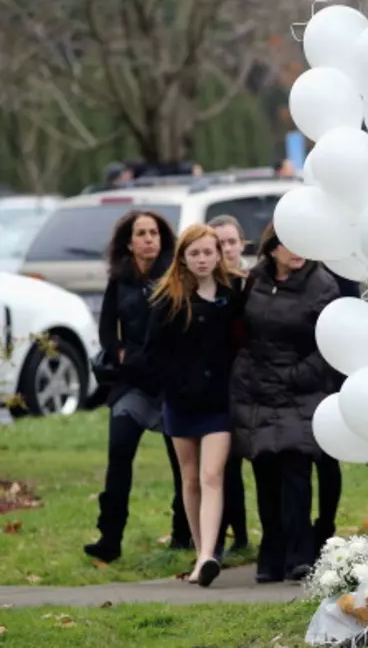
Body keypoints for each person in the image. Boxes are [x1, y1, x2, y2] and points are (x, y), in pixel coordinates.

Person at [230, 223, 342, 583]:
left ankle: (300, 550)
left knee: (295, 468)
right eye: (289, 245)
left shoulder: (321, 284)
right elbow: (241, 331)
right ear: (272, 247)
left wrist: (295, 376)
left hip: (300, 388)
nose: (298, 252)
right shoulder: (255, 279)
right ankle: (271, 550)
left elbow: (329, 343)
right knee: (264, 469)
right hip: (257, 389)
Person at [85, 210, 190, 563]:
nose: (148, 239)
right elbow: (106, 329)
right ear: (128, 242)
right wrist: (118, 354)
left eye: (154, 233)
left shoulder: (174, 276)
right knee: (119, 454)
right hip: (131, 384)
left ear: (162, 240)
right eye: (141, 233)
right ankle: (109, 538)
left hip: (168, 384)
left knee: (180, 462)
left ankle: (183, 533)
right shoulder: (121, 278)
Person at [142, 224, 244, 587]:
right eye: (194, 253)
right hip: (181, 402)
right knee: (189, 478)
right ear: (182, 257)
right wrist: (175, 385)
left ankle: (207, 555)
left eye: (208, 252)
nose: (202, 259)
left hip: (219, 401)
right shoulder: (167, 297)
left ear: (219, 254)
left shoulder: (233, 292)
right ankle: (202, 553)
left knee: (212, 475)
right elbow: (152, 354)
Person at [206, 215, 250, 555]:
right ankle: (228, 534)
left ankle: (245, 535)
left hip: (253, 380)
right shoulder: (210, 288)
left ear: (242, 244)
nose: (226, 249)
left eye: (231, 242)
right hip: (219, 384)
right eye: (218, 244)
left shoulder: (254, 282)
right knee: (225, 464)